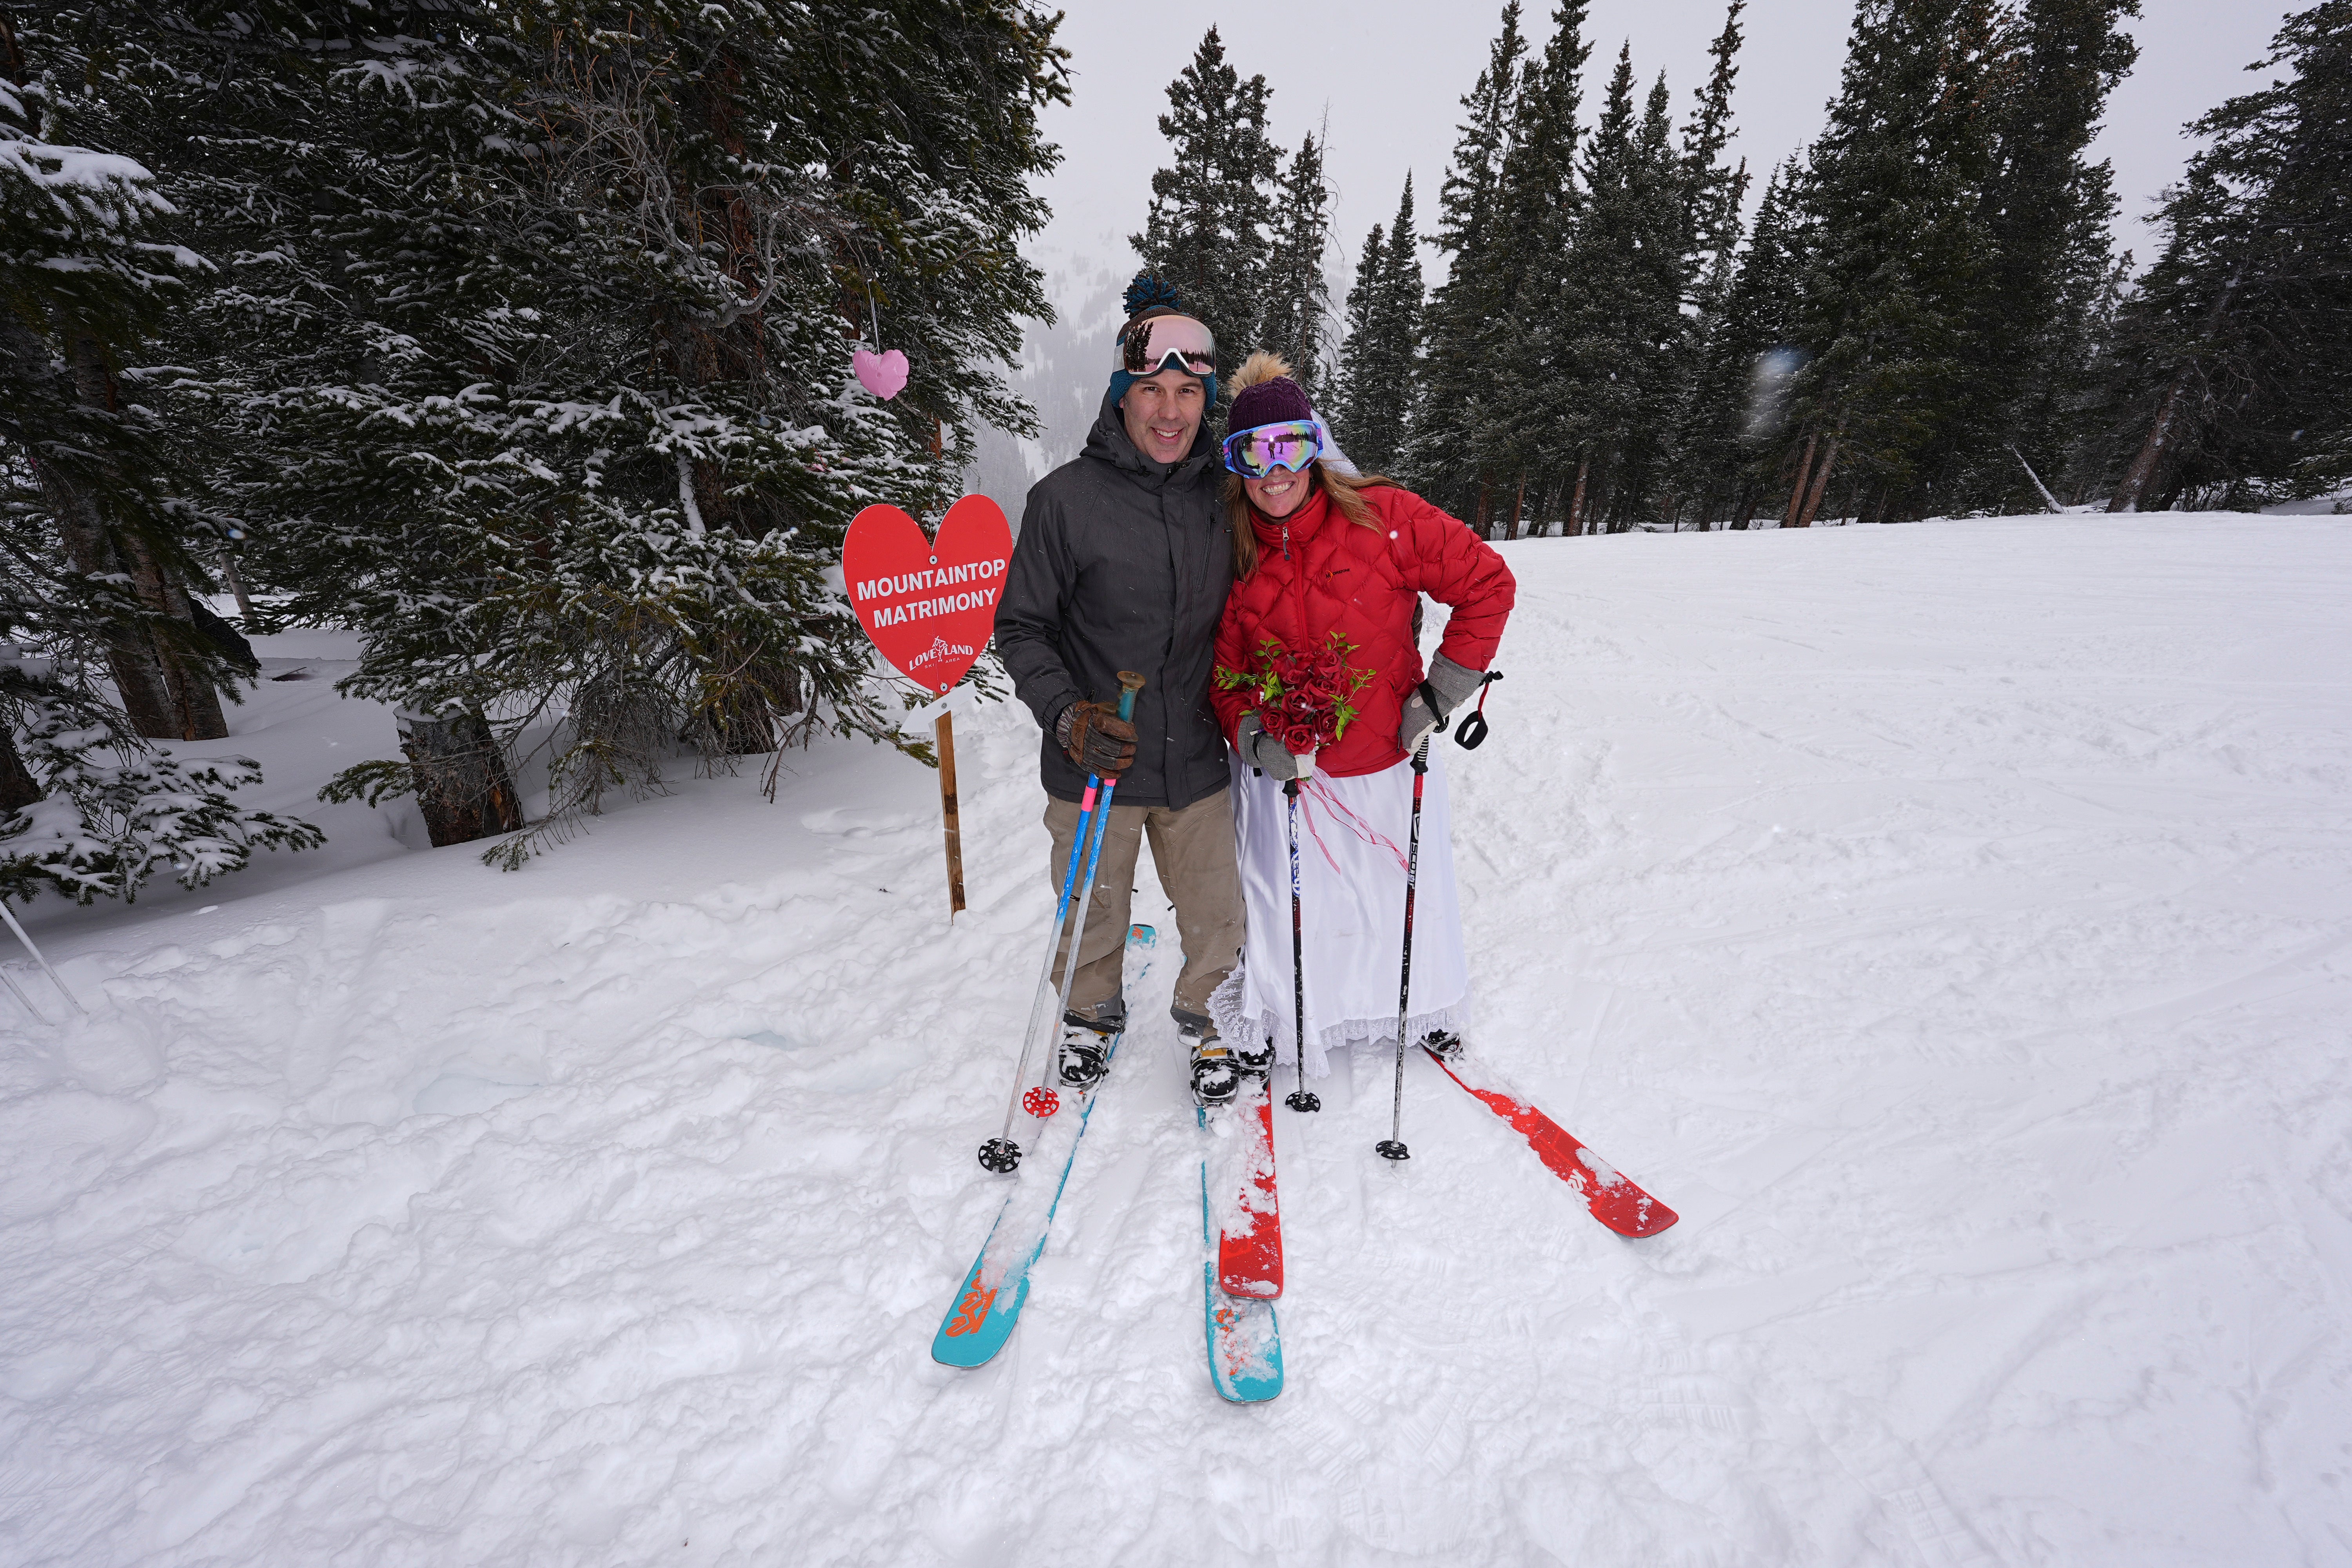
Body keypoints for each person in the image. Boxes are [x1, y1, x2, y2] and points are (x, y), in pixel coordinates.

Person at [1205, 352, 1515, 1098]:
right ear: (1237, 464)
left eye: (1290, 446)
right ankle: (1289, 1019)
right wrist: (1252, 736)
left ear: (1315, 448)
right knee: (1290, 904)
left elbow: (1487, 586)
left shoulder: (1387, 516)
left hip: (1387, 757)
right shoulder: (1229, 547)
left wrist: (1439, 695)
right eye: (1253, 452)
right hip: (1291, 775)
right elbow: (1221, 671)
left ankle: (1417, 1005)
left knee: (1396, 890)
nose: (1274, 471)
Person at [995, 274, 1260, 1098]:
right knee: (1095, 908)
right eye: (1153, 390)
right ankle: (1090, 1014)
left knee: (1217, 908)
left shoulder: (1228, 497)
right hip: (1094, 758)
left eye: (1189, 391)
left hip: (1195, 754)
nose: (1171, 410)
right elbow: (1021, 627)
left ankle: (1214, 1017)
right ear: (1122, 397)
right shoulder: (1064, 501)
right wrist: (1068, 715)